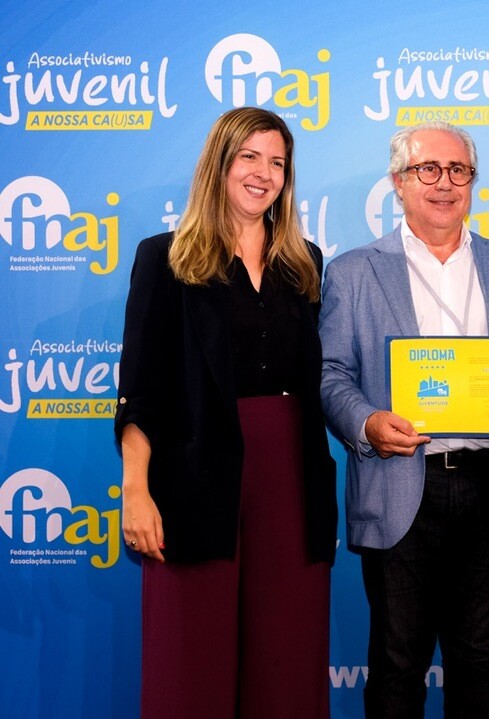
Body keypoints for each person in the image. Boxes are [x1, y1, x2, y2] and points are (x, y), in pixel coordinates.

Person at [319, 120, 489, 719]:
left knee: (477, 660)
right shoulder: (354, 270)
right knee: (396, 663)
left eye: (458, 170)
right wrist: (367, 424)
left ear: (472, 182)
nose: (444, 183)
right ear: (398, 182)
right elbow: (330, 373)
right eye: (428, 169)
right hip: (401, 482)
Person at [115, 107, 338, 718]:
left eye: (277, 163)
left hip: (290, 475)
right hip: (194, 474)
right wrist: (136, 490)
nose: (264, 173)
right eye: (250, 157)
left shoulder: (305, 261)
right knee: (190, 659)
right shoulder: (165, 258)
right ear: (220, 163)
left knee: (287, 657)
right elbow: (141, 387)